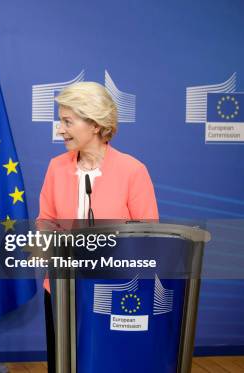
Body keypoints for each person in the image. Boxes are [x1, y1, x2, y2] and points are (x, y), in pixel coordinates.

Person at [36, 82, 158, 372]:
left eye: (68, 121)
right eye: (60, 120)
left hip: (113, 290)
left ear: (95, 124)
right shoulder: (56, 167)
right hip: (61, 288)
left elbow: (149, 237)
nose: (60, 129)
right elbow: (45, 221)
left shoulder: (132, 171)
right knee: (62, 362)